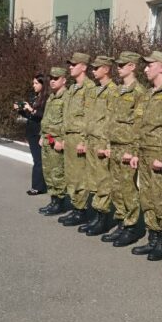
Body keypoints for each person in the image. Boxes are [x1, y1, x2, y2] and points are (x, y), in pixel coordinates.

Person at [129, 50, 162, 261]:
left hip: (159, 154)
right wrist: (135, 151)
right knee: (147, 197)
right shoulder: (148, 94)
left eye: (150, 65)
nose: (146, 68)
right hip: (144, 152)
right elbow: (140, 126)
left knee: (160, 198)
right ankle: (152, 237)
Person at [102, 51, 147, 247]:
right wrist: (109, 144)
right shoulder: (119, 90)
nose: (118, 68)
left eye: (122, 65)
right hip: (116, 145)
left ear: (132, 67)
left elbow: (139, 124)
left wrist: (134, 150)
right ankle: (121, 222)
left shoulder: (139, 92)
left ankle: (132, 226)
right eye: (117, 65)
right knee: (117, 187)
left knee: (128, 188)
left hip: (128, 146)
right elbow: (112, 119)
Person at [77, 55, 119, 236]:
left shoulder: (113, 91)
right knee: (93, 180)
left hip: (102, 142)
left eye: (96, 68)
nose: (93, 71)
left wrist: (109, 145)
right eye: (92, 68)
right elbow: (89, 118)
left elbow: (112, 121)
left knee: (103, 181)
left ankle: (103, 218)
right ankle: (96, 216)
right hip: (92, 140)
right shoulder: (95, 91)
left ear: (106, 69)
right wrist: (85, 140)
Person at [58, 52, 96, 227]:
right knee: (71, 175)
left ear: (84, 67)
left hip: (79, 137)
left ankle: (81, 210)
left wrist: (83, 140)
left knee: (80, 176)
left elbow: (89, 116)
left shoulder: (89, 88)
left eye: (74, 65)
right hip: (69, 136)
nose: (70, 67)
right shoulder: (73, 88)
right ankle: (75, 207)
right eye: (70, 65)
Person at [38, 68, 69, 216]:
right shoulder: (52, 97)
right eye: (51, 78)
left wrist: (61, 140)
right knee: (48, 172)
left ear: (64, 80)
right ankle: (53, 200)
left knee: (57, 173)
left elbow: (67, 121)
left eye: (56, 78)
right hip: (47, 140)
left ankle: (60, 203)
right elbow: (46, 119)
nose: (52, 81)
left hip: (56, 142)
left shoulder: (66, 97)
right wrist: (41, 135)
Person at [14, 73, 48, 195]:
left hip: (39, 133)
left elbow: (41, 116)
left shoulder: (46, 99)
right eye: (33, 83)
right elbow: (31, 117)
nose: (33, 85)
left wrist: (31, 109)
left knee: (38, 161)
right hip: (31, 133)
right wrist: (21, 110)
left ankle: (37, 187)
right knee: (38, 160)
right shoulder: (35, 97)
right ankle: (41, 186)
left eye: (36, 83)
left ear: (43, 84)